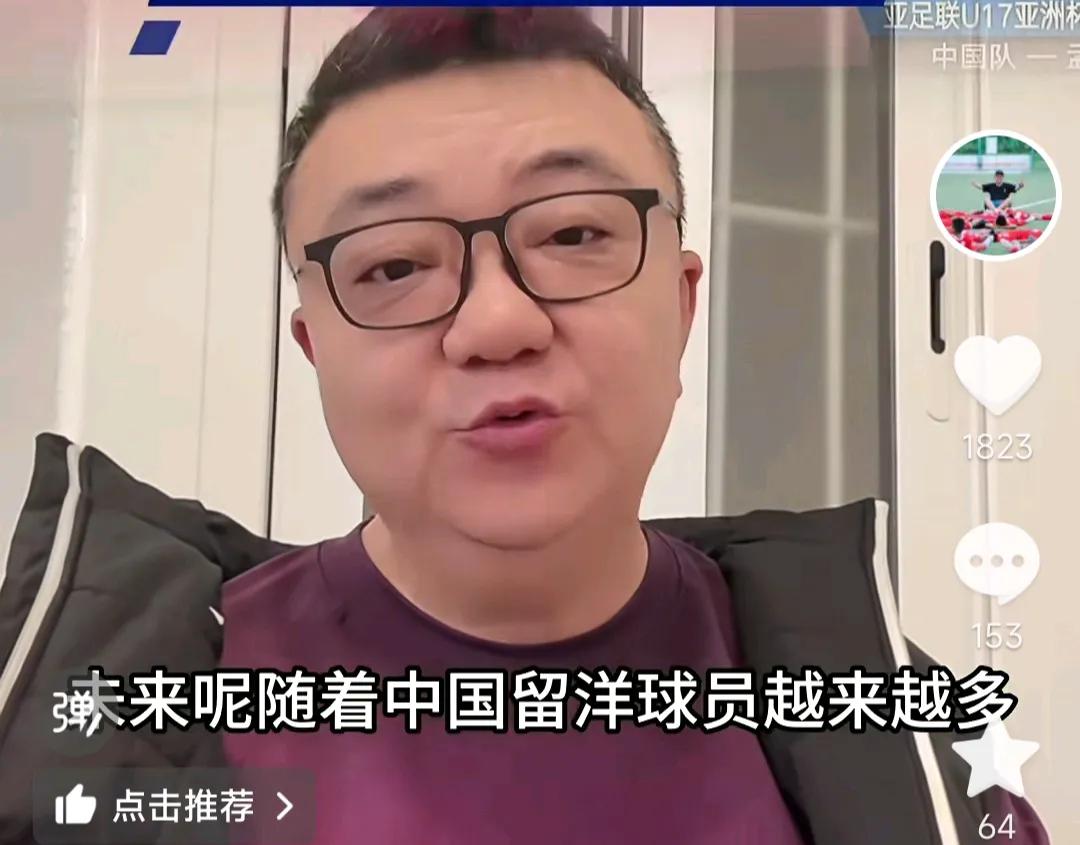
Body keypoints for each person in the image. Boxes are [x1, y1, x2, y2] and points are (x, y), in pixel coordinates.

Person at [0, 8, 1051, 845]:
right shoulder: (112, 722)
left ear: (682, 303)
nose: (497, 323)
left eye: (577, 232)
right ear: (317, 349)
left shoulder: (904, 739)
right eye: (394, 263)